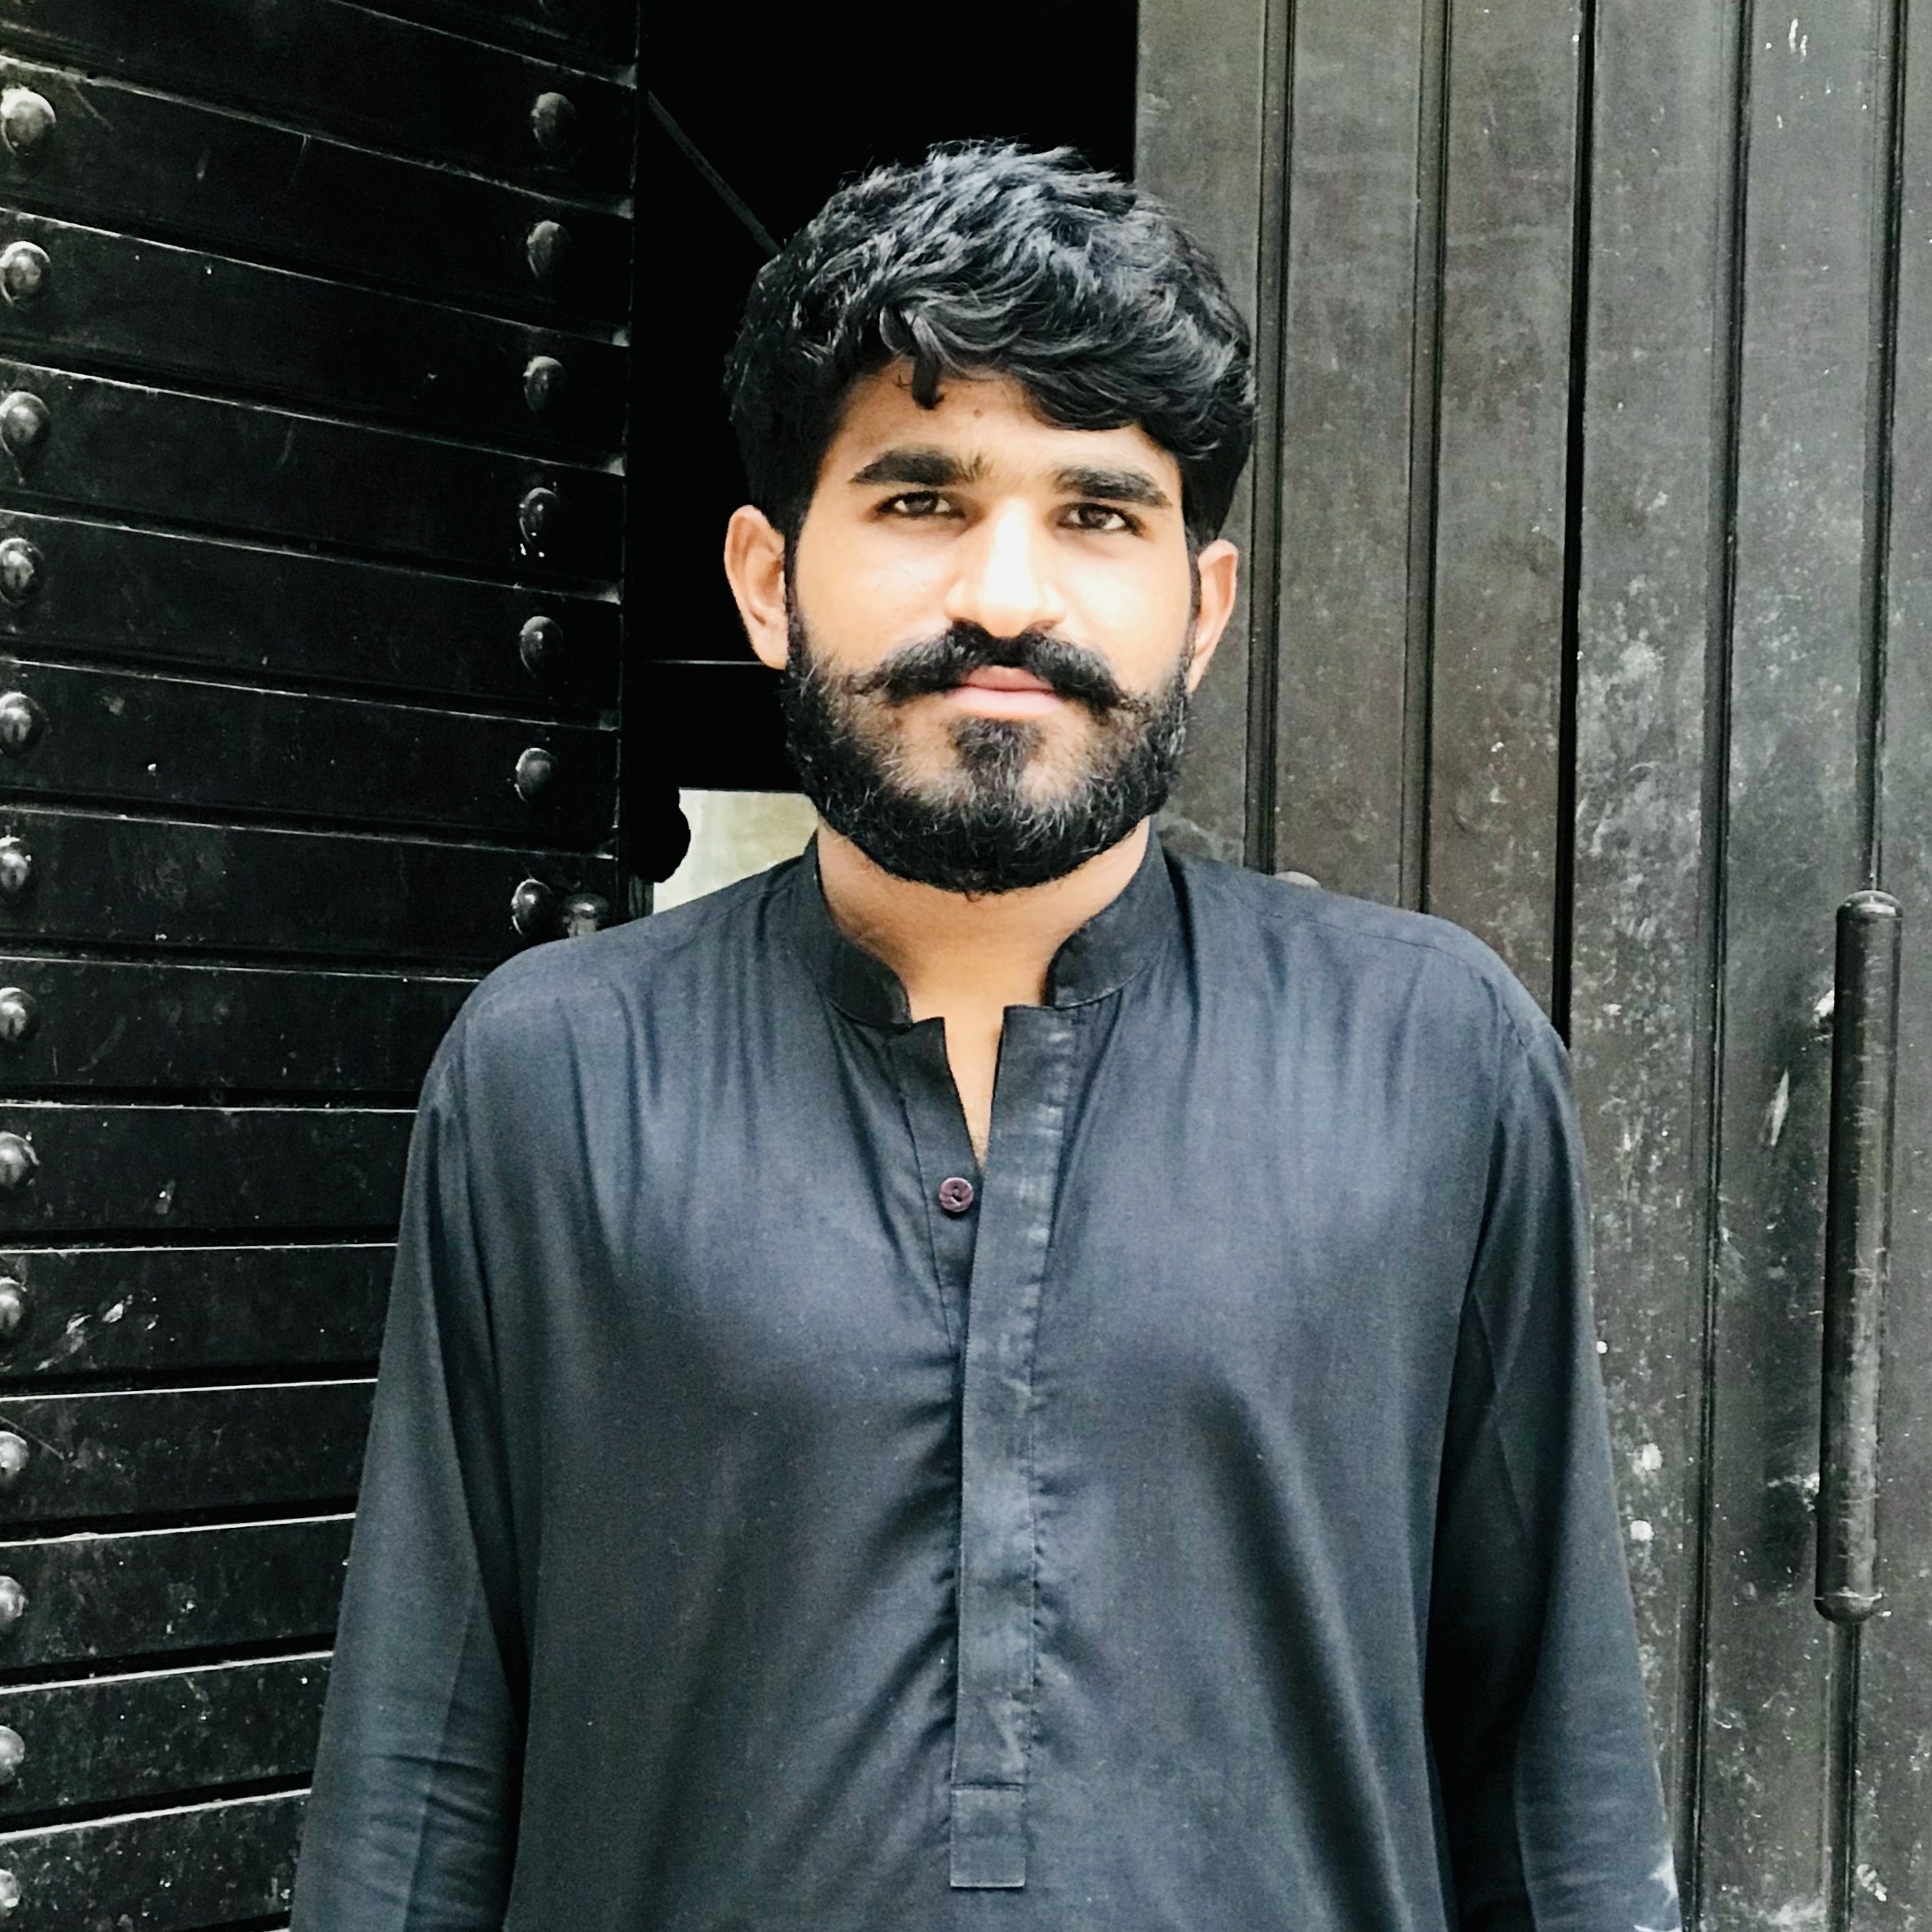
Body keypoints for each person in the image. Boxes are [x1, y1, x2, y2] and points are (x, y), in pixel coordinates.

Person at [293, 141, 1681, 1931]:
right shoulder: (556, 1077)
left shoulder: (1431, 1060)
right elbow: (420, 1785)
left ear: (1203, 609)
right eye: (919, 498)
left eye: (1096, 512)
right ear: (768, 578)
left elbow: (1554, 1803)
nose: (1008, 595)